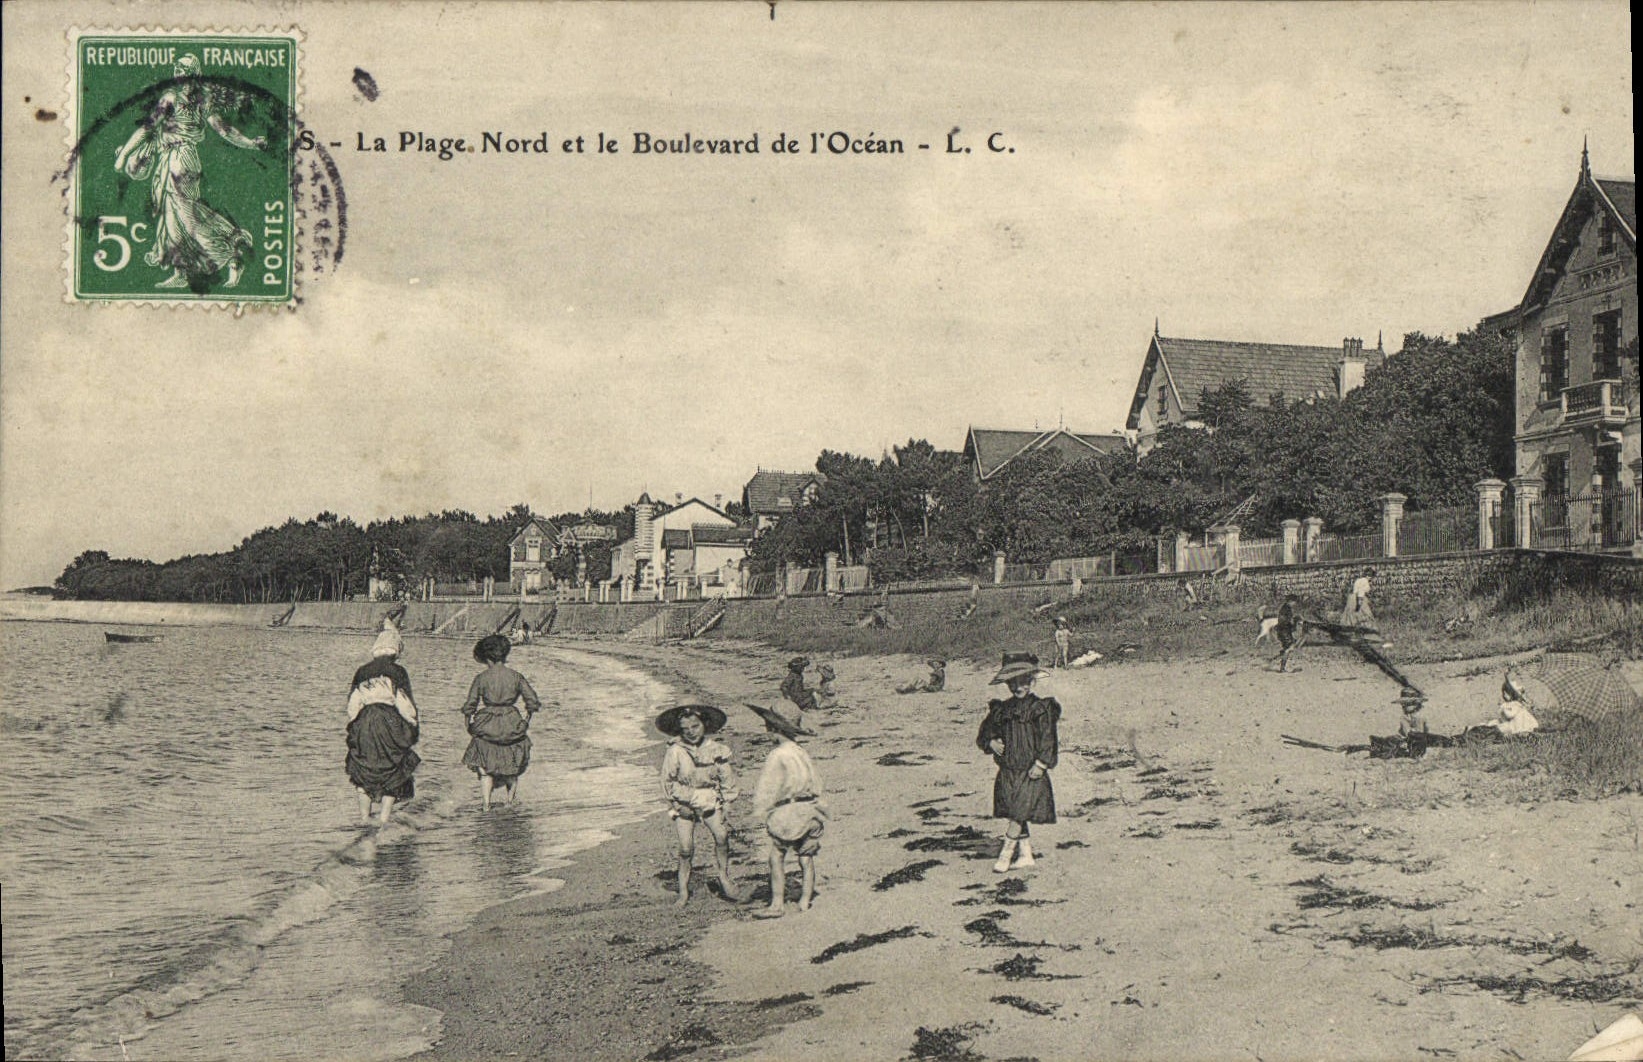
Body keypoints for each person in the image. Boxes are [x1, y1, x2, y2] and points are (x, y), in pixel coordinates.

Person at [113, 53, 264, 289]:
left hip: (179, 161)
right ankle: (182, 271)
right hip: (182, 159)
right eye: (177, 69)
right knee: (174, 217)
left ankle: (232, 257)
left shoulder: (171, 98)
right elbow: (223, 129)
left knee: (188, 219)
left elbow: (147, 128)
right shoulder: (201, 100)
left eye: (182, 70)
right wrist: (250, 142)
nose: (178, 74)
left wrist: (123, 156)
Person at [976, 651, 1061, 874]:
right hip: (1009, 770)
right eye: (1012, 683)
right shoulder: (1002, 709)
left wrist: (1042, 764)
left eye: (1023, 682)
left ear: (1032, 681)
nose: (1018, 688)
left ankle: (1005, 855)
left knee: (1018, 813)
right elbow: (985, 733)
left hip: (1031, 769)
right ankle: (1025, 855)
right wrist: (991, 742)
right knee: (1016, 810)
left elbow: (1048, 739)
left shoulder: (1041, 709)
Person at [656, 704, 743, 906]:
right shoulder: (675, 751)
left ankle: (723, 876)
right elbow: (667, 781)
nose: (691, 732)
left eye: (695, 726)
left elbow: (726, 778)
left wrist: (727, 803)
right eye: (685, 729)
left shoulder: (715, 749)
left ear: (704, 724)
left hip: (709, 798)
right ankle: (683, 891)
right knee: (686, 848)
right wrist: (677, 805)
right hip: (683, 800)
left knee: (721, 836)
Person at [747, 703, 825, 918]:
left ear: (773, 730)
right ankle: (805, 900)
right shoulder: (801, 752)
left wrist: (761, 810)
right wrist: (819, 812)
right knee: (806, 857)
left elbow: (768, 786)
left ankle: (777, 904)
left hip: (789, 812)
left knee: (777, 855)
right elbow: (815, 782)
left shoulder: (777, 755)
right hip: (809, 809)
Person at [346, 628, 420, 826]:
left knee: (364, 768)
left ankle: (364, 819)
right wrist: (413, 726)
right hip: (389, 721)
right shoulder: (398, 672)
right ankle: (384, 820)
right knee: (393, 768)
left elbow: (353, 705)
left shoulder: (362, 671)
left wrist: (357, 726)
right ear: (395, 650)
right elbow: (404, 704)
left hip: (365, 721)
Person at [459, 634, 543, 810]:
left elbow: (470, 705)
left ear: (487, 657)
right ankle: (509, 803)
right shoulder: (516, 676)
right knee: (511, 766)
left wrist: (469, 724)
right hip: (511, 721)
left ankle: (486, 805)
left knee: (484, 768)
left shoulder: (481, 678)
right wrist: (525, 721)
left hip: (487, 723)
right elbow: (532, 701)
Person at [1275, 594, 1303, 673]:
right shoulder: (1285, 609)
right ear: (1290, 601)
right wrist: (1294, 623)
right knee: (1289, 648)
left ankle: (1280, 660)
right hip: (1284, 631)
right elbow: (1283, 621)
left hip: (1284, 631)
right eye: (1294, 602)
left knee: (1289, 647)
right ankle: (1282, 668)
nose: (1295, 604)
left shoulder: (1286, 608)